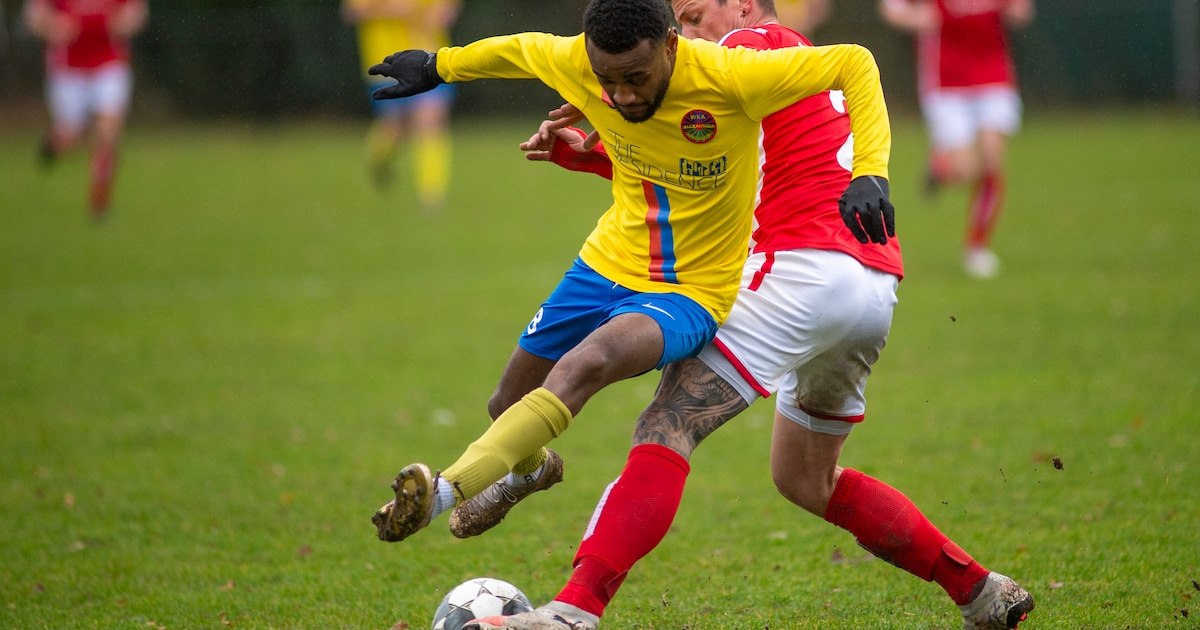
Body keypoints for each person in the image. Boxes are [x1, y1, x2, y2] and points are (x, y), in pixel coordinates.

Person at [461, 1, 1034, 629]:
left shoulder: (742, 53)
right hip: (870, 284)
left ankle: (573, 611)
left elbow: (700, 136)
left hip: (798, 267)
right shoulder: (789, 58)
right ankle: (980, 590)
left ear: (742, 5)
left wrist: (607, 105)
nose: (684, 35)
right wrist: (600, 153)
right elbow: (710, 170)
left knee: (667, 424)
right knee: (804, 478)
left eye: (696, 14)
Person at [367, 0, 896, 561]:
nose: (619, 95)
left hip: (690, 289)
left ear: (670, 46)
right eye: (607, 81)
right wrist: (435, 66)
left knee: (587, 363)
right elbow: (514, 50)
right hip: (605, 264)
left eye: (635, 78)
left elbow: (856, 62)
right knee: (508, 403)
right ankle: (529, 471)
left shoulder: (730, 73)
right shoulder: (578, 60)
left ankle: (443, 491)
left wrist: (870, 171)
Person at [879, 0, 1034, 279]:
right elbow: (892, 10)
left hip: (992, 75)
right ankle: (940, 169)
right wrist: (915, 17)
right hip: (947, 82)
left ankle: (977, 246)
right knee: (964, 170)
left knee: (991, 161)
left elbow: (1021, 12)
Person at [23, 0, 148, 219]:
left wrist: (125, 22)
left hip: (109, 62)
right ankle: (54, 144)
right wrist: (52, 26)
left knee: (108, 131)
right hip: (68, 69)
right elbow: (33, 17)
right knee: (72, 137)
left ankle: (99, 203)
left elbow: (137, 13)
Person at [341, 0, 459, 211]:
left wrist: (441, 13)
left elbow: (446, 8)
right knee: (395, 128)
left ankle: (431, 196)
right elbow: (352, 11)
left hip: (430, 58)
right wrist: (391, 9)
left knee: (431, 121)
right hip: (387, 63)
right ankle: (378, 157)